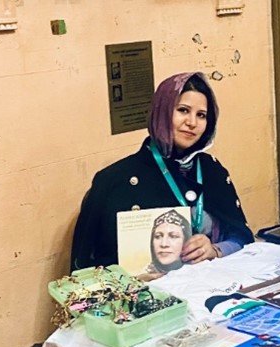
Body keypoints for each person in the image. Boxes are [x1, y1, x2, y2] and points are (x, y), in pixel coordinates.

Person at [70, 71, 253, 272]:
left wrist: (215, 250)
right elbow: (89, 267)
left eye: (201, 115)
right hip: (146, 297)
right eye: (183, 110)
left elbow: (241, 237)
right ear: (162, 112)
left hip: (211, 286)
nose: (192, 122)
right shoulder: (114, 180)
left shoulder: (212, 170)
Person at [139, 208, 191, 280]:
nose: (164, 244)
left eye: (173, 236)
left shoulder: (199, 273)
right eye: (158, 236)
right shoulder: (139, 275)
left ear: (185, 240)